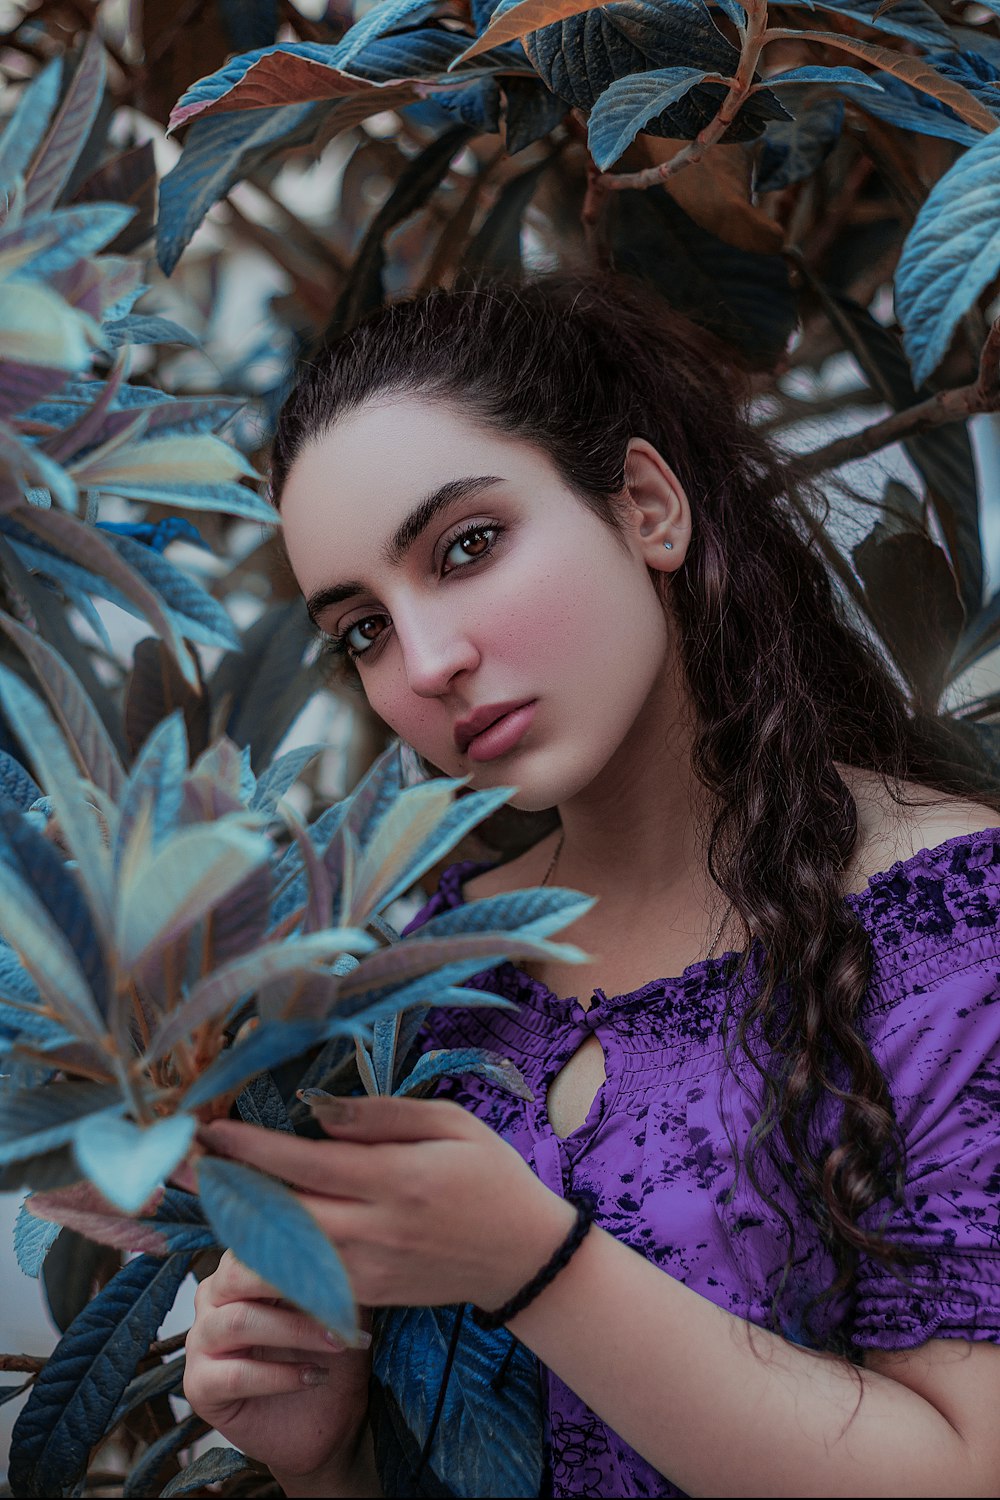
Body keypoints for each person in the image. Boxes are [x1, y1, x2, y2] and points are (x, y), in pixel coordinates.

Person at [181, 274, 1000, 1498]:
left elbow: (966, 1468)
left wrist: (534, 1261)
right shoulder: (432, 962)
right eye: (362, 629)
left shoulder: (949, 924)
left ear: (647, 507)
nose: (429, 662)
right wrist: (334, 1460)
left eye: (466, 547)